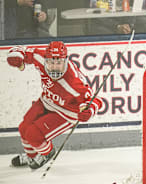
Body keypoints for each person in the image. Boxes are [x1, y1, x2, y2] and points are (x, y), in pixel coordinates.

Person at [6, 41, 103, 170]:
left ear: (66, 61)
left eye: (59, 63)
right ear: (45, 59)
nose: (54, 67)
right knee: (23, 128)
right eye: (51, 62)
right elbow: (22, 50)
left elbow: (96, 100)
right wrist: (16, 56)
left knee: (33, 134)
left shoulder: (74, 83)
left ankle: (47, 153)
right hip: (48, 100)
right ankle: (31, 156)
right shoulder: (40, 57)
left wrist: (90, 110)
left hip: (66, 112)